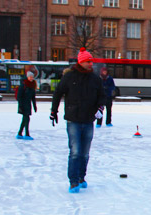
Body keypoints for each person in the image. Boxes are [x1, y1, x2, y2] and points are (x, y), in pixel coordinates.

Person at [50, 47, 106, 193]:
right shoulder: (69, 77)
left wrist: (100, 109)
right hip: (73, 119)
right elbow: (58, 93)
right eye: (88, 61)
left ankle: (81, 177)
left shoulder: (94, 78)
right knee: (75, 151)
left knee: (85, 153)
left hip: (88, 120)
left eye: (91, 61)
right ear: (81, 62)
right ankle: (73, 181)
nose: (90, 64)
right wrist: (53, 111)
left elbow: (102, 95)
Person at [16, 68, 38, 140]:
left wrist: (35, 106)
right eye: (30, 77)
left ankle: (20, 133)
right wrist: (20, 106)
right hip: (23, 105)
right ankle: (27, 134)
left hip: (28, 105)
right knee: (27, 119)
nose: (31, 78)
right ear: (27, 77)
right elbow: (19, 97)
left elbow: (33, 98)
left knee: (24, 119)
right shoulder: (23, 86)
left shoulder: (32, 86)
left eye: (32, 77)